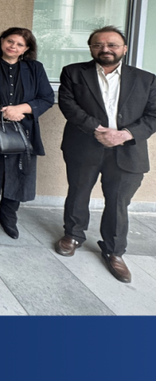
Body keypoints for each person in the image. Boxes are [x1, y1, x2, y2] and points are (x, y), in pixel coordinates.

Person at [55, 26, 156, 284]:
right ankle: (73, 235)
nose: (105, 49)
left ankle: (114, 251)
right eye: (98, 44)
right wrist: (97, 129)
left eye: (112, 44)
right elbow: (68, 104)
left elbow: (153, 116)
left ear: (124, 48)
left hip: (127, 150)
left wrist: (124, 134)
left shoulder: (147, 79)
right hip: (84, 144)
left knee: (119, 202)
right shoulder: (73, 72)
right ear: (91, 48)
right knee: (78, 192)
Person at [0, 27, 54, 238]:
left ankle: (9, 215)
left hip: (23, 130)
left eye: (20, 44)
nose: (13, 46)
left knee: (18, 172)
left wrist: (21, 109)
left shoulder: (34, 68)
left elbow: (46, 98)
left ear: (26, 48)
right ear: (1, 41)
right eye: (10, 41)